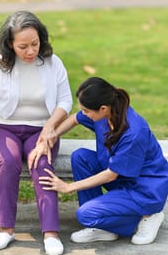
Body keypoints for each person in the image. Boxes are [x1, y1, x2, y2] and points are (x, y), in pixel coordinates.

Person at [0, 11, 73, 255]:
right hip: (4, 128)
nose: (30, 51)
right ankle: (5, 229)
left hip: (42, 130)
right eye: (23, 46)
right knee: (9, 161)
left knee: (41, 161)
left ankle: (51, 233)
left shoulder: (53, 62)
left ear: (41, 39)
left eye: (34, 44)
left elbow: (65, 102)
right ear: (10, 44)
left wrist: (49, 128)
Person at [38, 77, 168, 245]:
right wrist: (52, 135)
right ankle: (102, 227)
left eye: (86, 110)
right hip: (123, 176)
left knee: (85, 214)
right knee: (81, 157)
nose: (83, 113)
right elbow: (74, 119)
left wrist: (67, 187)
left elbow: (110, 175)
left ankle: (149, 215)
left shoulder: (133, 132)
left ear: (103, 108)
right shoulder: (105, 115)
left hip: (144, 189)